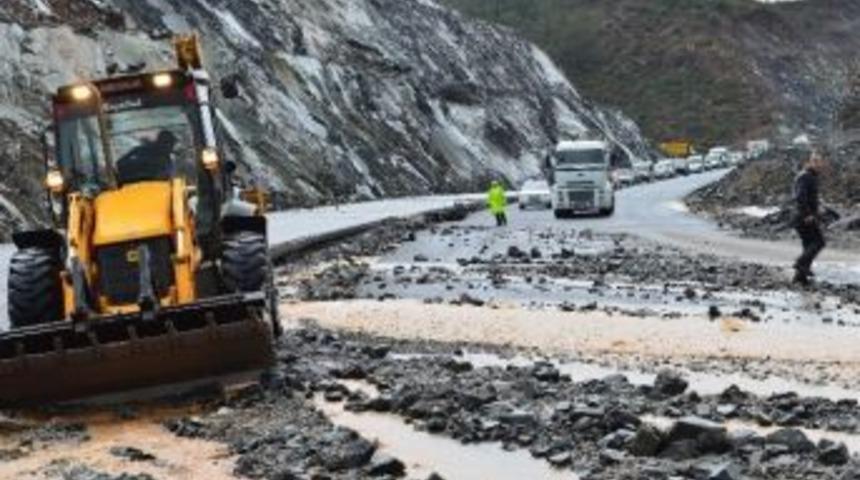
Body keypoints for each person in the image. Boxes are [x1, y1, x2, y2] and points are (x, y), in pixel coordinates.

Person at [792, 150, 827, 286]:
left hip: (806, 216)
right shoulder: (805, 176)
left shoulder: (811, 177)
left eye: (820, 162)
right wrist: (807, 214)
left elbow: (810, 197)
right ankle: (800, 263)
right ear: (809, 162)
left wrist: (818, 208)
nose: (819, 165)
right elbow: (800, 197)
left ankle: (800, 278)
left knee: (808, 245)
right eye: (815, 161)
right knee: (819, 242)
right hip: (803, 217)